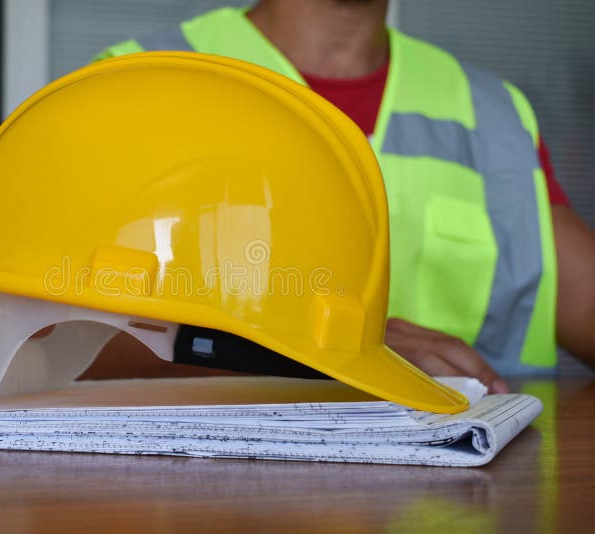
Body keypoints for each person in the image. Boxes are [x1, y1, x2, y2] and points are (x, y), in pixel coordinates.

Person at [88, 0, 595, 391]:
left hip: (471, 498)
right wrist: (319, 356)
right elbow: (42, 334)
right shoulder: (135, 82)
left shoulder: (493, 117)